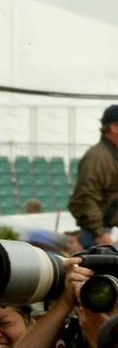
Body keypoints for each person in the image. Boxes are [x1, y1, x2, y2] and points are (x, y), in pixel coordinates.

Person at [68, 105, 118, 247]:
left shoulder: (111, 155)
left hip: (105, 230)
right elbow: (84, 198)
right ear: (114, 127)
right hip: (97, 235)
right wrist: (99, 232)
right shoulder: (97, 157)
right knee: (99, 268)